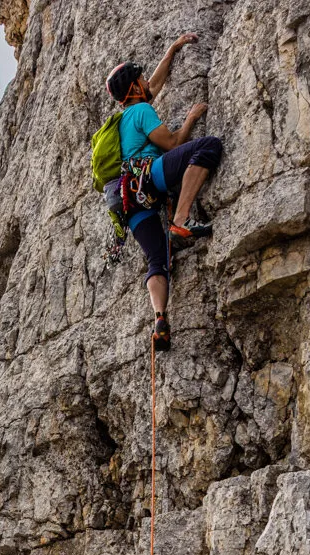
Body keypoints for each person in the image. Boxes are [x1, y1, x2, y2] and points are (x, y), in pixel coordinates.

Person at [106, 34, 223, 351]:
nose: (147, 80)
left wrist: (172, 50)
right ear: (133, 88)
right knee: (208, 147)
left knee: (157, 260)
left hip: (129, 200)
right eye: (140, 78)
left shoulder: (125, 117)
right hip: (148, 178)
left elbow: (154, 84)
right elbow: (172, 144)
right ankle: (181, 219)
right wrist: (188, 122)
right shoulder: (141, 111)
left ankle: (159, 319)